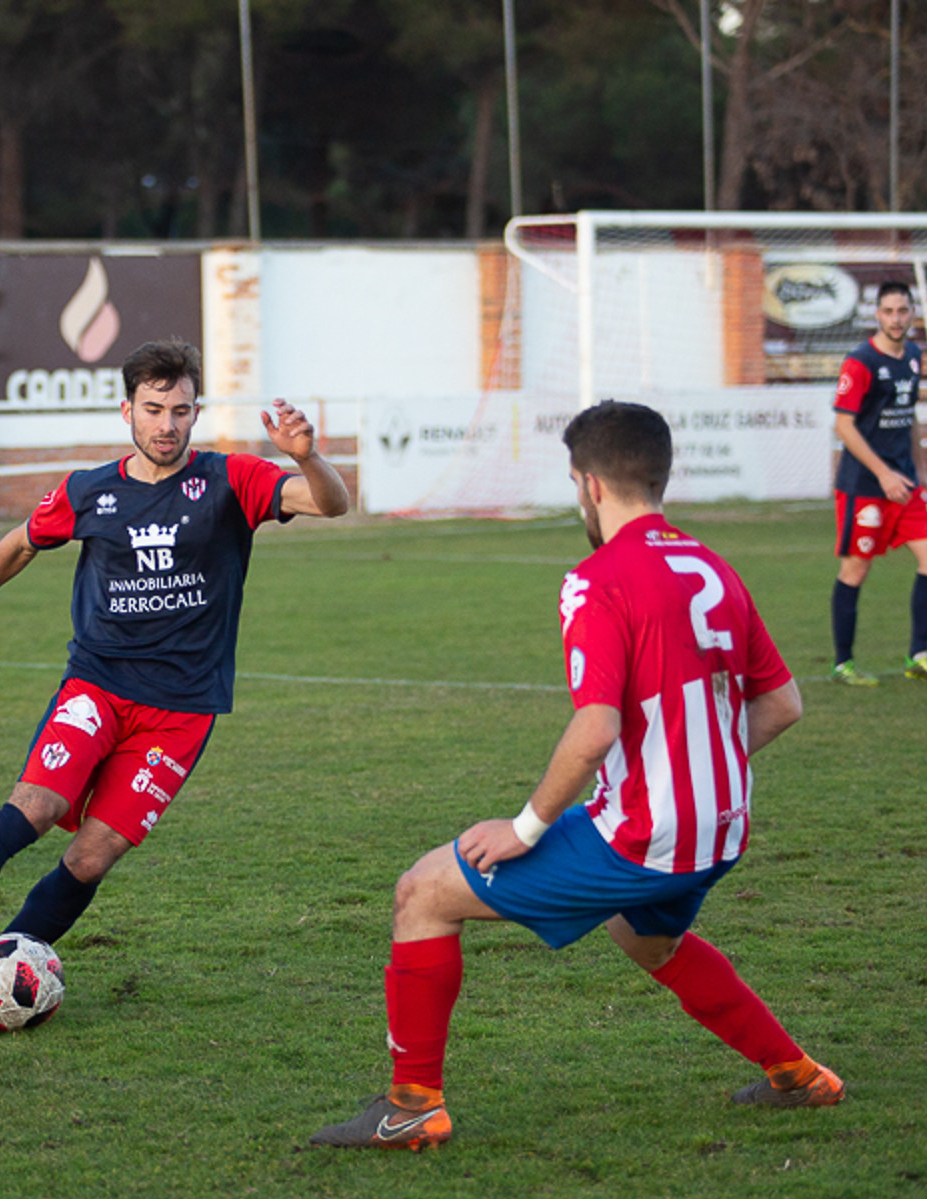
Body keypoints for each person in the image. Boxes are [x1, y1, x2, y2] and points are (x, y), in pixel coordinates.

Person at [310, 401, 840, 1152]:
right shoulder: (714, 568)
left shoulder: (597, 580)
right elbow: (782, 704)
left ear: (589, 485)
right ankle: (798, 1074)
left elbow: (594, 731)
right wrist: (693, 769)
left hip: (643, 835)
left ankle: (412, 1106)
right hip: (720, 829)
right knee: (649, 941)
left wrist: (522, 828)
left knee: (422, 892)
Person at [0, 338, 351, 1003]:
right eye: (153, 409)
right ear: (127, 410)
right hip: (98, 686)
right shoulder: (89, 490)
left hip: (182, 711)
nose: (167, 425)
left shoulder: (231, 479)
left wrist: (308, 458)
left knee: (92, 856)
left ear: (195, 411)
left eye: (180, 410)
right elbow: (19, 543)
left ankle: (3, 972)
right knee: (35, 808)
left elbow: (331, 503)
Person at [828, 280, 927, 688]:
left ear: (912, 314)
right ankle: (843, 663)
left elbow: (909, 415)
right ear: (877, 315)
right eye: (888, 312)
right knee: (856, 569)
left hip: (907, 483)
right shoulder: (860, 362)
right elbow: (843, 426)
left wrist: (922, 471)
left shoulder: (915, 356)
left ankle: (919, 654)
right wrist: (883, 473)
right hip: (866, 486)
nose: (896, 319)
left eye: (903, 311)